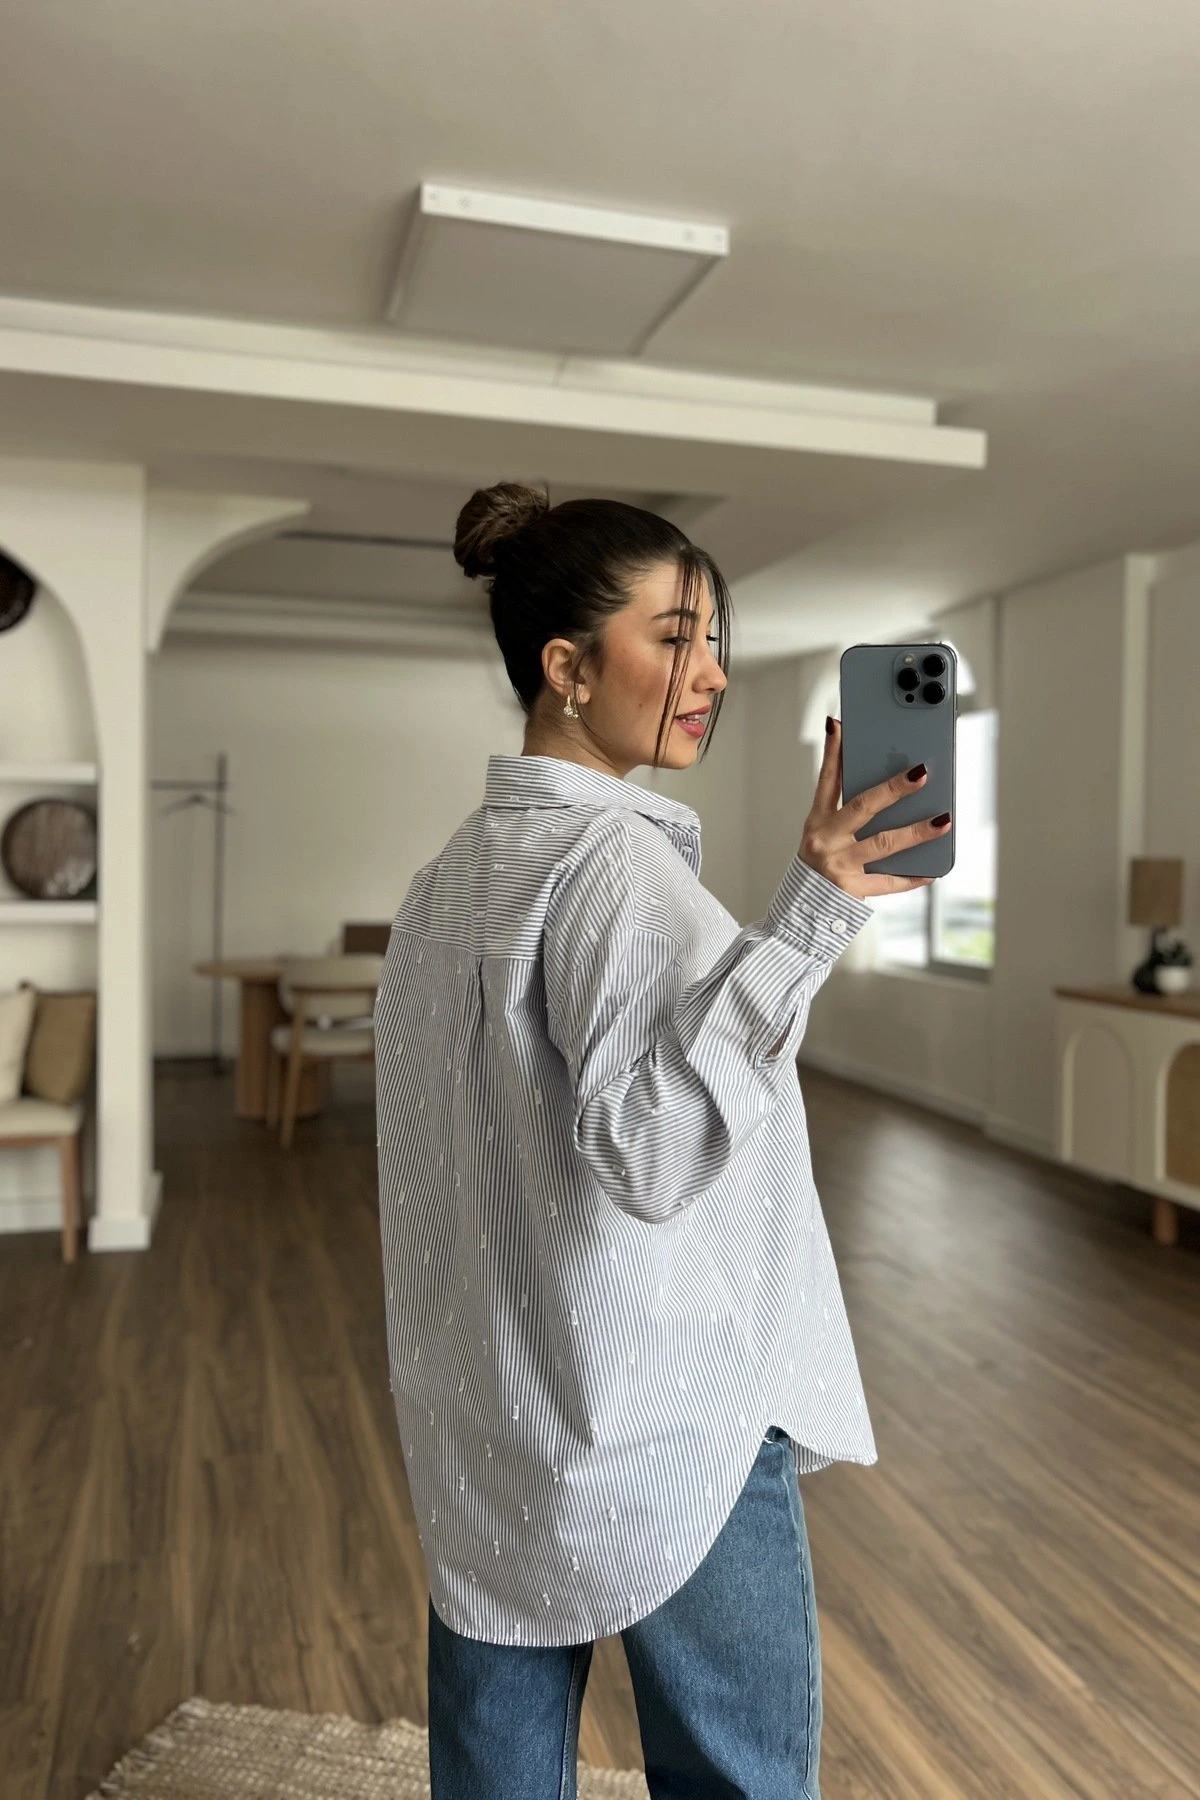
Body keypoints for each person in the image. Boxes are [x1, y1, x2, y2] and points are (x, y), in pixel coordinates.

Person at [374, 483, 949, 1799]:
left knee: (497, 1773)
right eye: (676, 638)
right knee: (738, 1778)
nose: (714, 675)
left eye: (715, 641)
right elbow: (648, 1151)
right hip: (671, 1407)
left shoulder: (445, 880)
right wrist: (810, 914)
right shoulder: (615, 869)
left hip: (492, 1408)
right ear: (568, 667)